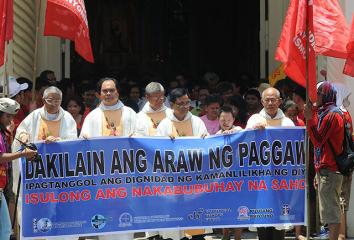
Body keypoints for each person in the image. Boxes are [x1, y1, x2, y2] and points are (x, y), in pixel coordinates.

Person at [13, 86, 78, 240]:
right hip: (37, 174)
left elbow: (73, 141)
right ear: (43, 100)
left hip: (58, 174)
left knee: (57, 208)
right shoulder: (34, 116)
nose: (54, 104)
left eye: (57, 100)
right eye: (50, 100)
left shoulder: (67, 118)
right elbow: (21, 134)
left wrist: (58, 142)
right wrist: (23, 137)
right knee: (36, 207)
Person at [80, 77, 136, 240]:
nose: (109, 93)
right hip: (101, 176)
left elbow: (141, 139)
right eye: (105, 91)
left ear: (118, 92)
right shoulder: (92, 116)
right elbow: (83, 144)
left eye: (112, 90)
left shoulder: (130, 113)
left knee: (125, 215)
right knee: (104, 213)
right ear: (99, 94)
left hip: (126, 174)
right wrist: (85, 138)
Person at [156, 88, 209, 240]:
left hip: (194, 181)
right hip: (173, 182)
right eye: (181, 104)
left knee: (196, 229)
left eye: (187, 103)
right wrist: (166, 143)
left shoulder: (197, 122)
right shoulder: (164, 125)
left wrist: (206, 139)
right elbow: (157, 153)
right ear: (171, 104)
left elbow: (207, 150)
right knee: (174, 230)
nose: (185, 106)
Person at [246, 87, 294, 240]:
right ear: (262, 101)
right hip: (261, 177)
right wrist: (254, 132)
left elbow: (294, 148)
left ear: (280, 101)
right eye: (267, 100)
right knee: (263, 214)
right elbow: (244, 144)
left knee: (280, 217)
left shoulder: (287, 122)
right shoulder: (255, 119)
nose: (271, 103)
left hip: (281, 177)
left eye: (274, 100)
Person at [304, 81, 344, 240]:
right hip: (325, 168)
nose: (316, 97)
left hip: (330, 168)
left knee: (330, 209)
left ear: (327, 95)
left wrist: (309, 120)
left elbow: (318, 140)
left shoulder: (332, 115)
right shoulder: (325, 112)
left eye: (319, 93)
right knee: (328, 208)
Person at [0, 98, 37, 240]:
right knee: (4, 230)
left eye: (12, 116)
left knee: (5, 230)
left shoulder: (3, 132)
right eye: (7, 116)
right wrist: (22, 154)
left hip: (2, 186)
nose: (10, 120)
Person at [333, 83, 353, 240]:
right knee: (343, 199)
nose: (347, 101)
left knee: (339, 199)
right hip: (346, 162)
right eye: (345, 97)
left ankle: (340, 234)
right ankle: (342, 233)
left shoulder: (338, 113)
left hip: (338, 162)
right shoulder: (345, 113)